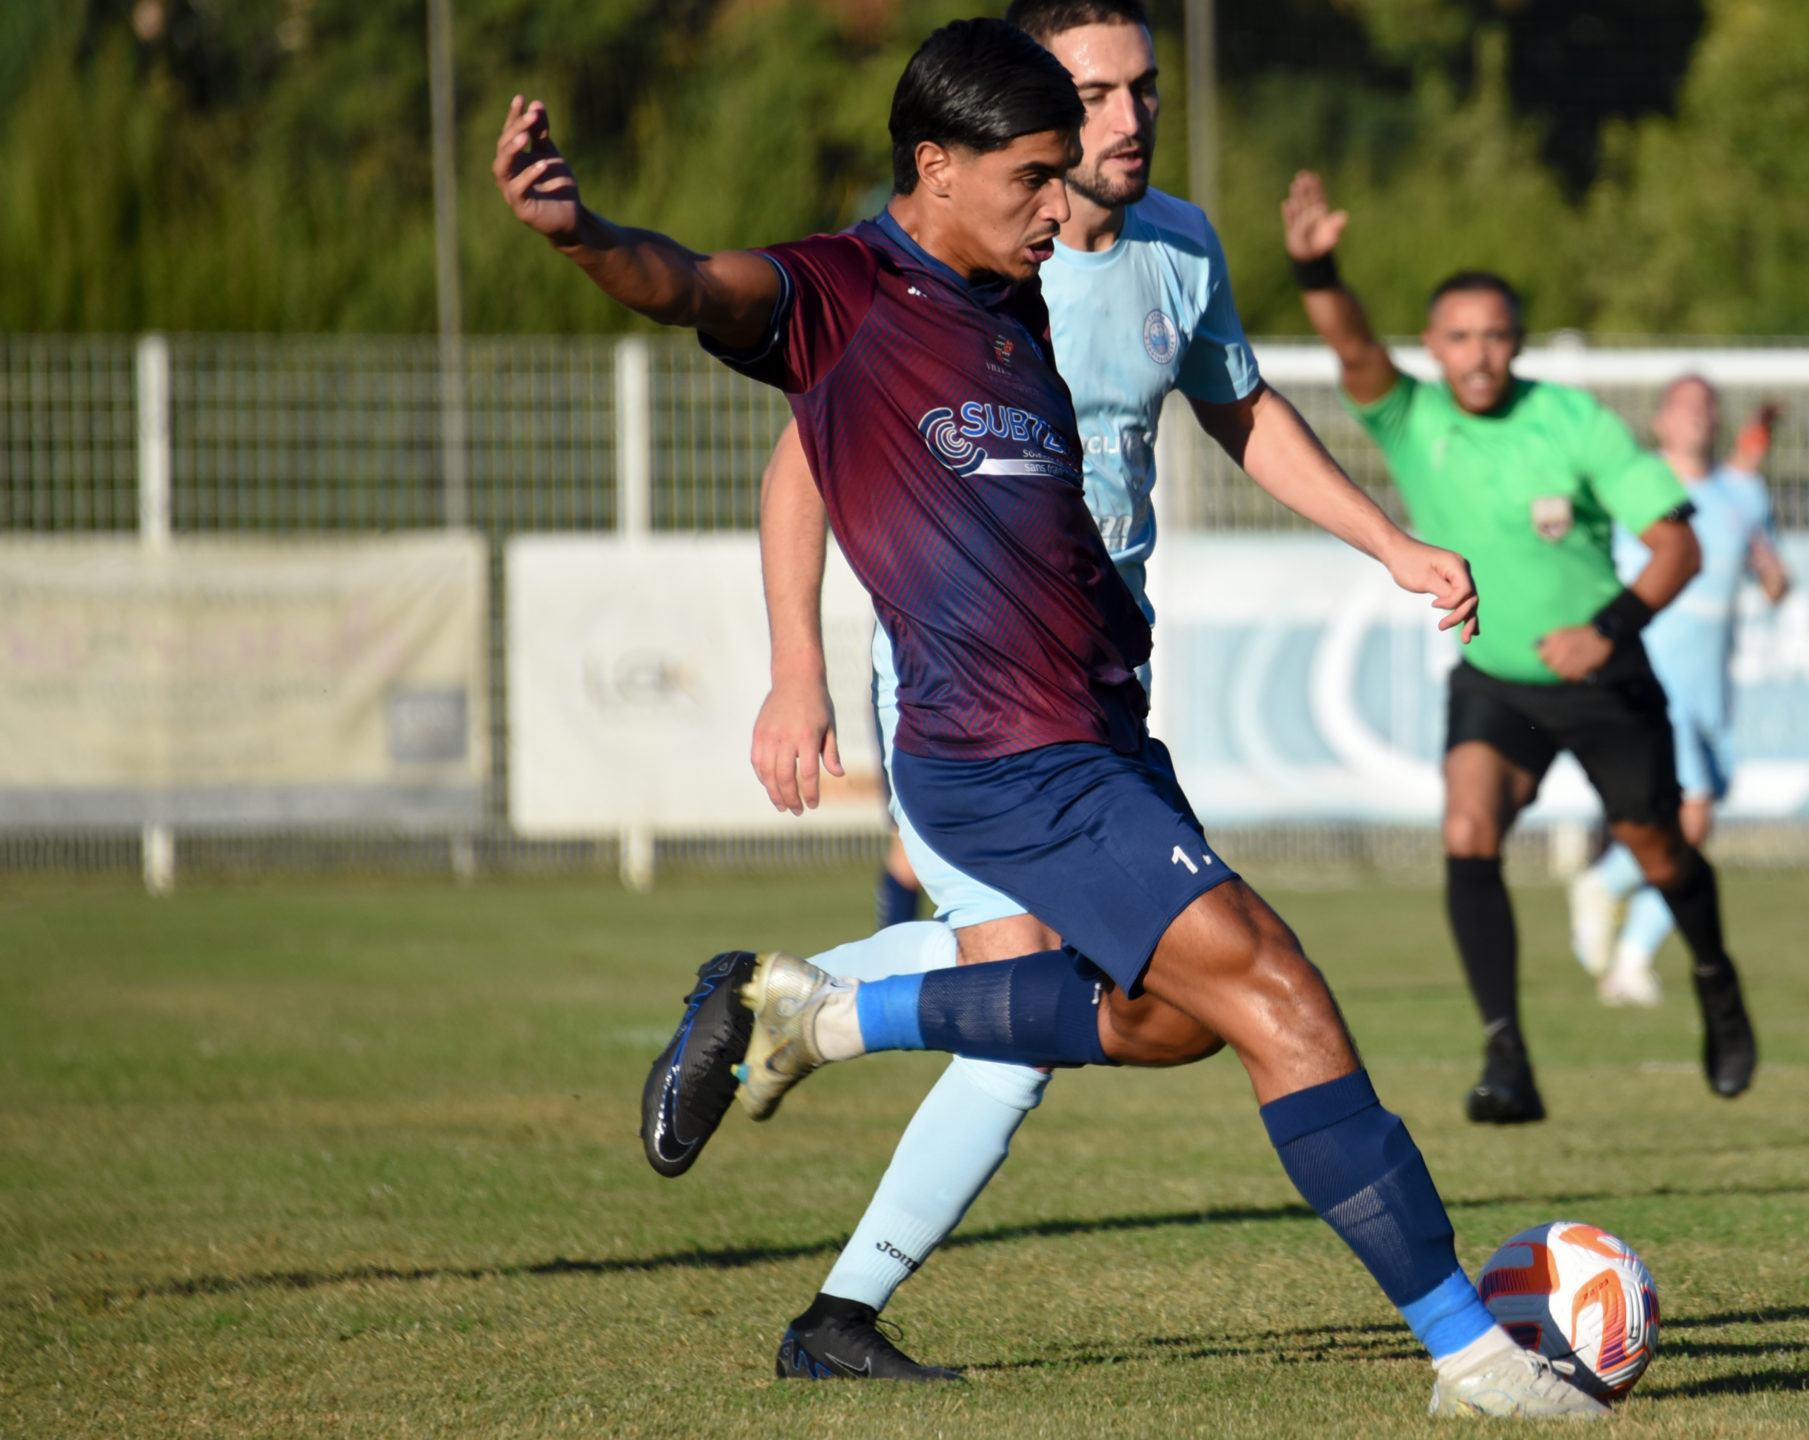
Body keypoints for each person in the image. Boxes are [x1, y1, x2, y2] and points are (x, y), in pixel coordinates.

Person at [501, 19, 1608, 1418]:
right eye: (1036, 168)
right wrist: (583, 233)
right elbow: (689, 283)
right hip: (998, 747)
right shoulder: (843, 289)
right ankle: (1473, 1359)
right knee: (1277, 990)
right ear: (936, 164)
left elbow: (1182, 442)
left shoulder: (1025, 300)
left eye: (1113, 119)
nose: (1063, 191)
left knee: (1170, 1019)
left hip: (1098, 726)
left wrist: (1372, 549)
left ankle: (820, 1018)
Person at [725, 0, 1498, 1388]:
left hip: (1096, 689)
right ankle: (836, 1290)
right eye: (1093, 96)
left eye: (1143, 90)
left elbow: (1241, 410)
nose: (1125, 120)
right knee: (1060, 999)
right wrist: (796, 665)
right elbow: (806, 459)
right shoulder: (936, 262)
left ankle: (800, 1021)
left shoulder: (1179, 246)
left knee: (1138, 1009)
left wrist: (1389, 542)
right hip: (964, 689)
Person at [1283, 170, 1759, 1126]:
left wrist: (1604, 630)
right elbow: (1351, 344)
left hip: (1606, 677)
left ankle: (1714, 977)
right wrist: (1317, 269)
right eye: (1459, 337)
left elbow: (1680, 547)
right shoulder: (1411, 417)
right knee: (1467, 829)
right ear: (1434, 347)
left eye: (1495, 335)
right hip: (1497, 679)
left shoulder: (1571, 421)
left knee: (1658, 849)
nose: (1479, 354)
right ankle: (1506, 1055)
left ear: (1519, 341)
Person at [1570, 377, 1790, 1006]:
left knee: (1693, 828)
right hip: (1653, 679)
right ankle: (1607, 886)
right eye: (1684, 405)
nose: (1697, 415)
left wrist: (1771, 572)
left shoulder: (1742, 492)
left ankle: (1629, 962)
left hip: (1712, 686)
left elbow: (1776, 580)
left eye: (1707, 405)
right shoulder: (1636, 485)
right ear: (1661, 421)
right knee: (1690, 818)